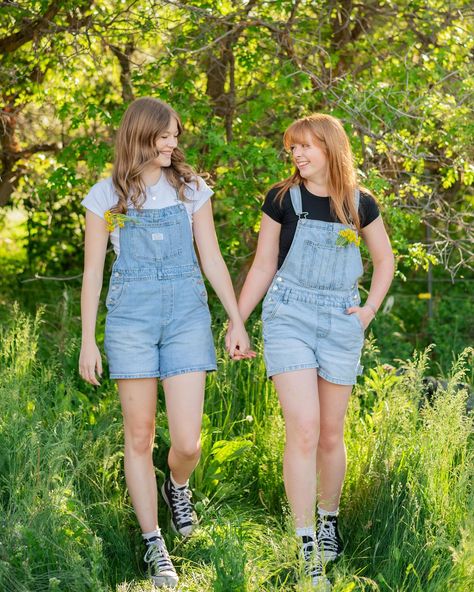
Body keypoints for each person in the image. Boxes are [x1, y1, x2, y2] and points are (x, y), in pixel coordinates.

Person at [79, 97, 253, 588]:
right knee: (139, 436)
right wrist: (88, 340)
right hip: (130, 320)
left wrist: (236, 321)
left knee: (187, 442)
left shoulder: (191, 190)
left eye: (176, 135)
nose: (174, 143)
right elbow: (94, 272)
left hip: (186, 317)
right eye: (165, 136)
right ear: (141, 135)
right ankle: (156, 543)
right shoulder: (105, 197)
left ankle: (176, 486)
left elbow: (213, 259)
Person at [229, 114, 394, 588]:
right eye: (292, 148)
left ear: (330, 148)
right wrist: (238, 322)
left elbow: (384, 261)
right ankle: (305, 545)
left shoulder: (360, 204)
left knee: (329, 433)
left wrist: (367, 311)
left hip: (341, 320)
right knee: (303, 427)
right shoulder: (283, 200)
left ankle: (328, 521)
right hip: (290, 315)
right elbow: (263, 265)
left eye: (306, 147)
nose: (297, 155)